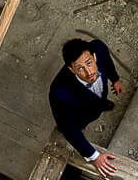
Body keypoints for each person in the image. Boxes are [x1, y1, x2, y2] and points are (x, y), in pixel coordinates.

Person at [48, 36, 125, 172]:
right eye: (80, 68)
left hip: (98, 96)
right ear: (72, 70)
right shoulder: (59, 93)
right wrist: (94, 156)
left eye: (89, 63)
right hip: (80, 112)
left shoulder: (99, 48)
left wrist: (115, 79)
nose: (89, 73)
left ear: (94, 57)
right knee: (77, 125)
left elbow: (107, 63)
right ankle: (93, 112)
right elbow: (69, 129)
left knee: (99, 102)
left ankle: (102, 104)